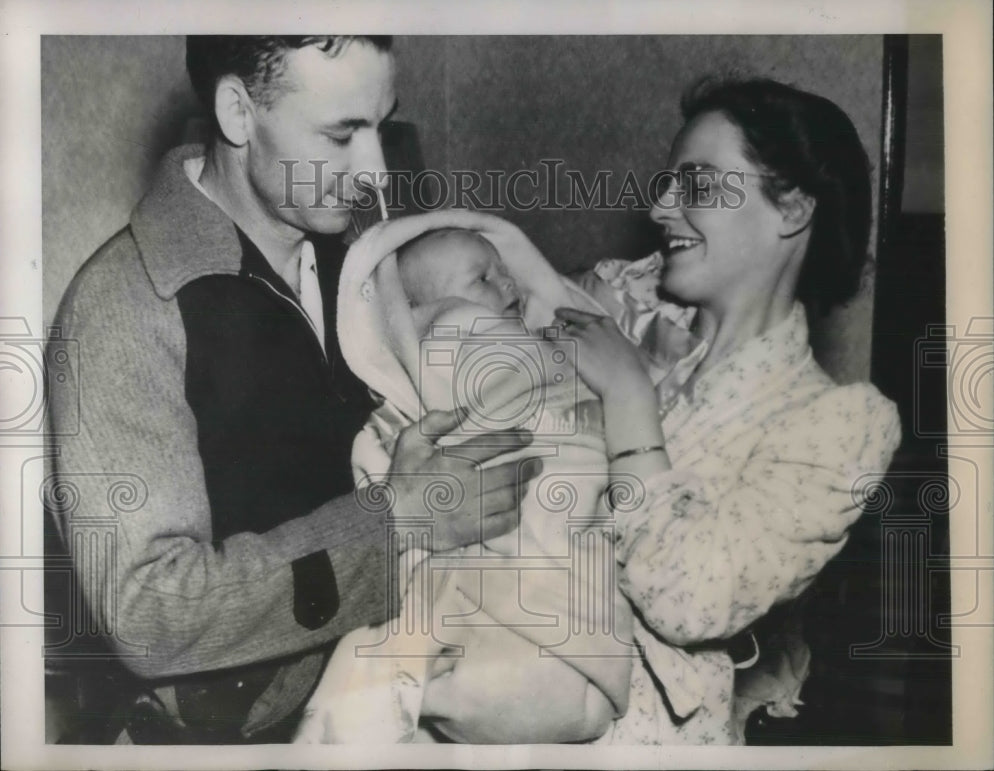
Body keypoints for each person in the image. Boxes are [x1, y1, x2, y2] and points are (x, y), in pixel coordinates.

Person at [46, 36, 535, 744]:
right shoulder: (123, 305)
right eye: (341, 135)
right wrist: (396, 523)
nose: (374, 172)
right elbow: (149, 613)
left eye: (382, 125)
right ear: (239, 113)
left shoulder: (363, 250)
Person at [428, 77, 903, 744]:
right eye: (667, 181)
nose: (660, 206)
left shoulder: (840, 425)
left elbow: (691, 600)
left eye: (697, 185)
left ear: (792, 208)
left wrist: (628, 398)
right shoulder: (613, 305)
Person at [295, 214, 641, 744]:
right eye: (481, 278)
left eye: (506, 271)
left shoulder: (547, 346)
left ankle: (408, 695)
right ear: (416, 314)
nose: (508, 285)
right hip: (502, 570)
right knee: (435, 623)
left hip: (564, 534)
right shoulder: (452, 337)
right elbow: (384, 454)